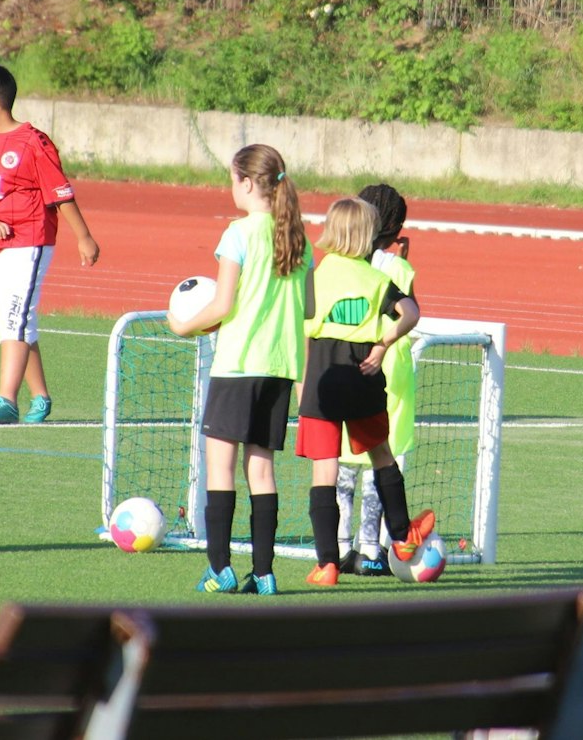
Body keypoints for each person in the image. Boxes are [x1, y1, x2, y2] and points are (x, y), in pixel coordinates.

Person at [166, 144, 310, 595]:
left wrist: (183, 326)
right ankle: (264, 573)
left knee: (219, 467)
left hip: (238, 363)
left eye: (232, 179)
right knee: (262, 470)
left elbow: (223, 304)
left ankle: (220, 567)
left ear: (247, 183)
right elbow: (308, 309)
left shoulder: (238, 234)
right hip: (281, 365)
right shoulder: (297, 238)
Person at [0, 65, 100, 425]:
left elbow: (61, 193)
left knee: (14, 320)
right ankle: (42, 397)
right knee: (17, 321)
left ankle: (7, 399)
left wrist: (83, 236)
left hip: (29, 240)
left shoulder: (33, 142)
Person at [300, 197, 434, 586]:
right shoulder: (377, 280)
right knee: (382, 456)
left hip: (323, 373)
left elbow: (300, 327)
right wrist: (382, 344)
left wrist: (300, 383)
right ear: (367, 236)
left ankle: (326, 564)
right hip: (363, 371)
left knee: (324, 468)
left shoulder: (315, 277)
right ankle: (401, 538)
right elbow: (410, 312)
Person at [333, 182, 419, 576]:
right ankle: (372, 548)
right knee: (379, 461)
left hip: (349, 364)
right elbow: (410, 312)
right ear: (396, 226)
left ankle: (337, 546)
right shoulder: (399, 267)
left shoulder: (342, 261)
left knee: (343, 465)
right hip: (390, 371)